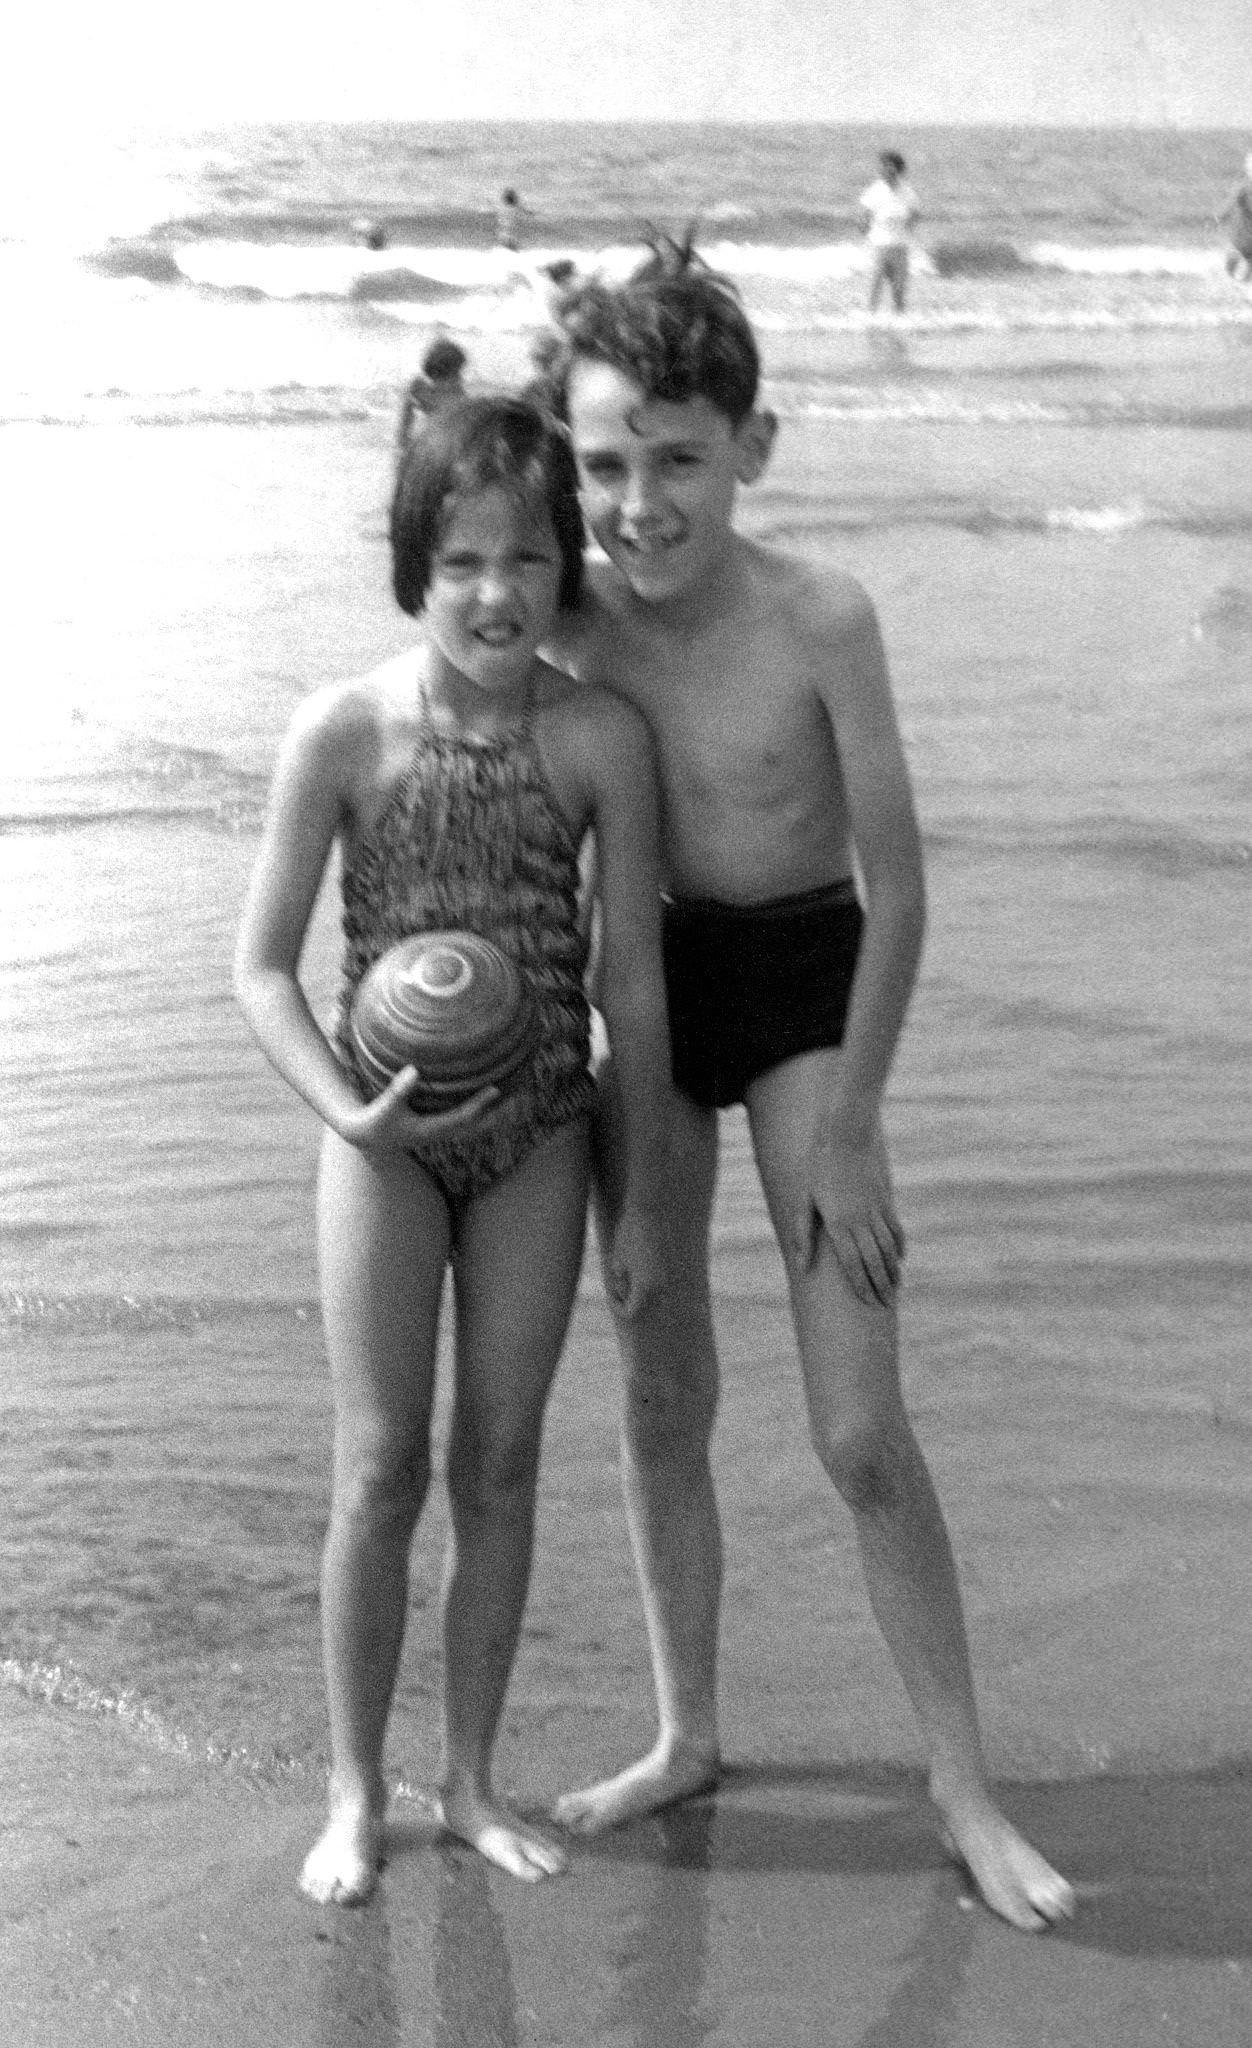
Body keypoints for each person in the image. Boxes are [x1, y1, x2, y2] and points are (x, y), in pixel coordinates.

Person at [541, 236, 1077, 1934]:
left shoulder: (818, 617)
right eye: (606, 461)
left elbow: (902, 886)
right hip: (643, 988)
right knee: (658, 1383)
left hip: (800, 993)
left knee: (854, 1426)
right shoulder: (564, 615)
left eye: (678, 457)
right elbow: (450, 562)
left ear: (752, 448)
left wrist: (851, 1129)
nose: (640, 501)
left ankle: (962, 1785)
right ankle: (687, 1727)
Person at [234, 396, 672, 1904]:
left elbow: (630, 988)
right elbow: (261, 969)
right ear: (415, 567)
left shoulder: (600, 738)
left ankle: (469, 1777)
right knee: (380, 1467)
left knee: (500, 1462)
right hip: (384, 1144)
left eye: (532, 558)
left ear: (567, 572)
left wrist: (647, 1210)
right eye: (466, 558)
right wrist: (344, 1111)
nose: (499, 592)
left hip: (542, 1138)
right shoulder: (343, 733)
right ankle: (355, 1791)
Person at [858, 150, 921, 315]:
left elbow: (915, 215)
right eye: (883, 167)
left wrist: (905, 227)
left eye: (889, 167)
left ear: (898, 169)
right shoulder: (874, 190)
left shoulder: (908, 192)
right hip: (878, 244)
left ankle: (899, 323)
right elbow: (865, 217)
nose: (885, 170)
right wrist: (867, 236)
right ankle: (869, 320)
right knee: (874, 287)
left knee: (898, 291)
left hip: (900, 245)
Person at [396, 336, 469, 447]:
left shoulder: (457, 395)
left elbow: (403, 436)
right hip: (439, 447)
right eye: (457, 373)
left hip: (443, 447)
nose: (460, 379)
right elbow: (403, 433)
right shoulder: (422, 389)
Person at [1215, 150, 1252, 283]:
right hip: (1243, 231)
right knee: (1238, 251)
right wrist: (1222, 215)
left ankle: (1242, 281)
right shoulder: (1244, 187)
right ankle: (1236, 278)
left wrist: (1222, 215)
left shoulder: (1244, 187)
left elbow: (1229, 205)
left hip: (1244, 233)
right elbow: (1230, 203)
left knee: (1246, 256)